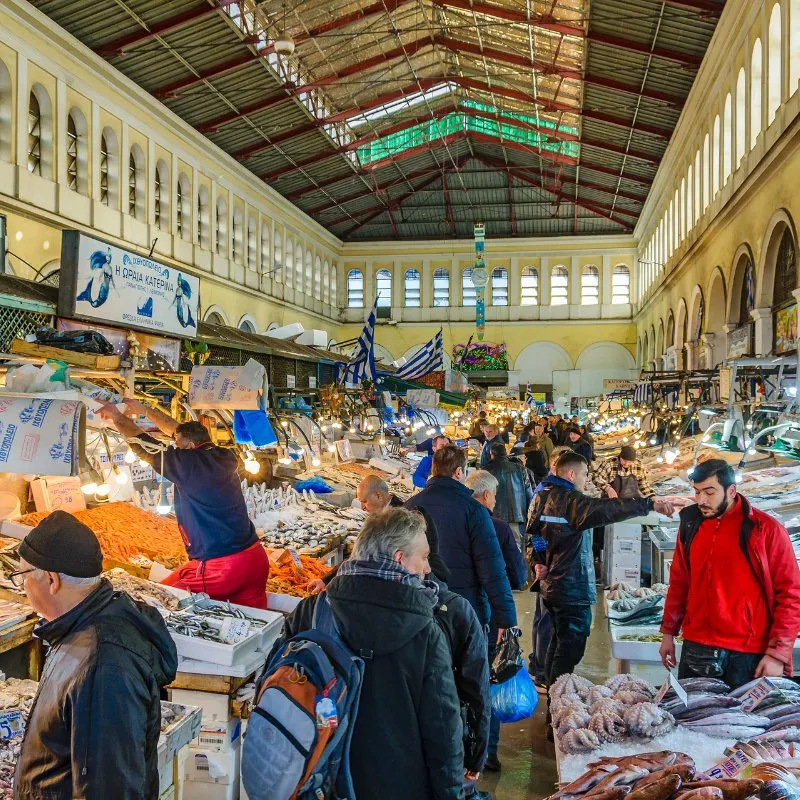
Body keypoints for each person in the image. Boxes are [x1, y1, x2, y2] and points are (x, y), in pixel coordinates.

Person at [271, 508, 465, 800]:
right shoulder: (425, 630)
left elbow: (275, 683)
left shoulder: (313, 610)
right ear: (399, 558)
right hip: (399, 783)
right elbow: (442, 727)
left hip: (319, 778)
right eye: (424, 557)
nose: (428, 569)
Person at [13, 511, 177, 799]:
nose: (22, 586)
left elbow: (110, 787)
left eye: (22, 575)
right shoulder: (78, 629)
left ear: (51, 580)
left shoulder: (105, 665)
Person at [99, 399, 270, 608]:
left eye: (178, 446)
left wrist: (116, 416)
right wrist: (145, 411)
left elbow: (144, 444)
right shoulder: (223, 455)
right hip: (255, 559)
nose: (175, 449)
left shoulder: (188, 464)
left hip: (222, 567)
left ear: (189, 447)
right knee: (256, 624)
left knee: (156, 602)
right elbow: (177, 431)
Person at [528, 452, 674, 686]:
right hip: (571, 587)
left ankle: (551, 690)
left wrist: (537, 561)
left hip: (550, 586)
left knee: (556, 641)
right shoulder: (573, 501)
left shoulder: (541, 496)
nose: (587, 480)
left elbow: (533, 534)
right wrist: (649, 504)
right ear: (571, 474)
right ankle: (557, 698)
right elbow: (609, 509)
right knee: (569, 649)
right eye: (585, 474)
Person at [659, 459, 800, 688]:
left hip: (747, 653)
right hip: (697, 646)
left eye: (709, 492)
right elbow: (679, 583)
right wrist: (668, 633)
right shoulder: (690, 525)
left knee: (745, 722)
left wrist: (777, 653)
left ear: (731, 491)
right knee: (692, 721)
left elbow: (791, 594)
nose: (701, 500)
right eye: (696, 492)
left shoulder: (766, 530)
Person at [407, 445, 517, 633]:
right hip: (467, 608)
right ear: (459, 472)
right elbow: (492, 568)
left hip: (419, 608)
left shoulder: (410, 506)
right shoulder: (475, 510)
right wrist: (507, 620)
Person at [465, 470, 526, 773]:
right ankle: (487, 751)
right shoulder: (498, 528)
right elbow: (517, 575)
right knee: (488, 684)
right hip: (488, 617)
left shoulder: (450, 521)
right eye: (496, 495)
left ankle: (462, 748)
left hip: (454, 616)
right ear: (487, 496)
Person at [527, 446, 570, 687]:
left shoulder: (551, 491)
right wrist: (541, 561)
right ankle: (542, 671)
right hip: (548, 566)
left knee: (541, 618)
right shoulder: (545, 493)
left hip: (548, 565)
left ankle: (538, 663)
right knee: (546, 620)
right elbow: (535, 532)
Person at [486, 442, 533, 551]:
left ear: (491, 454)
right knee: (515, 549)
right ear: (506, 454)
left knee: (496, 549)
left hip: (494, 517)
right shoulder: (520, 468)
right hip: (516, 517)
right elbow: (529, 494)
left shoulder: (486, 469)